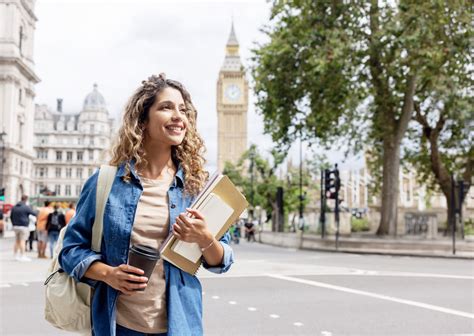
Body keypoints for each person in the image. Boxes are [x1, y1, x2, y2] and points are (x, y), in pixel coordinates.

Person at [59, 74, 234, 336]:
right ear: (142, 119)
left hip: (181, 325)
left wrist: (204, 237)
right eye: (166, 107)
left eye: (183, 110)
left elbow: (221, 261)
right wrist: (108, 274)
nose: (178, 116)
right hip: (118, 325)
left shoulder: (197, 187)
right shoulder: (105, 182)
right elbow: (70, 250)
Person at [10, 195, 37, 261]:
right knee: (23, 240)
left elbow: (11, 216)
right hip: (23, 226)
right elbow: (34, 213)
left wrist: (13, 224)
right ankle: (23, 255)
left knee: (17, 241)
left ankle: (15, 255)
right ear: (26, 200)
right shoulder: (26, 207)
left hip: (15, 226)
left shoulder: (14, 207)